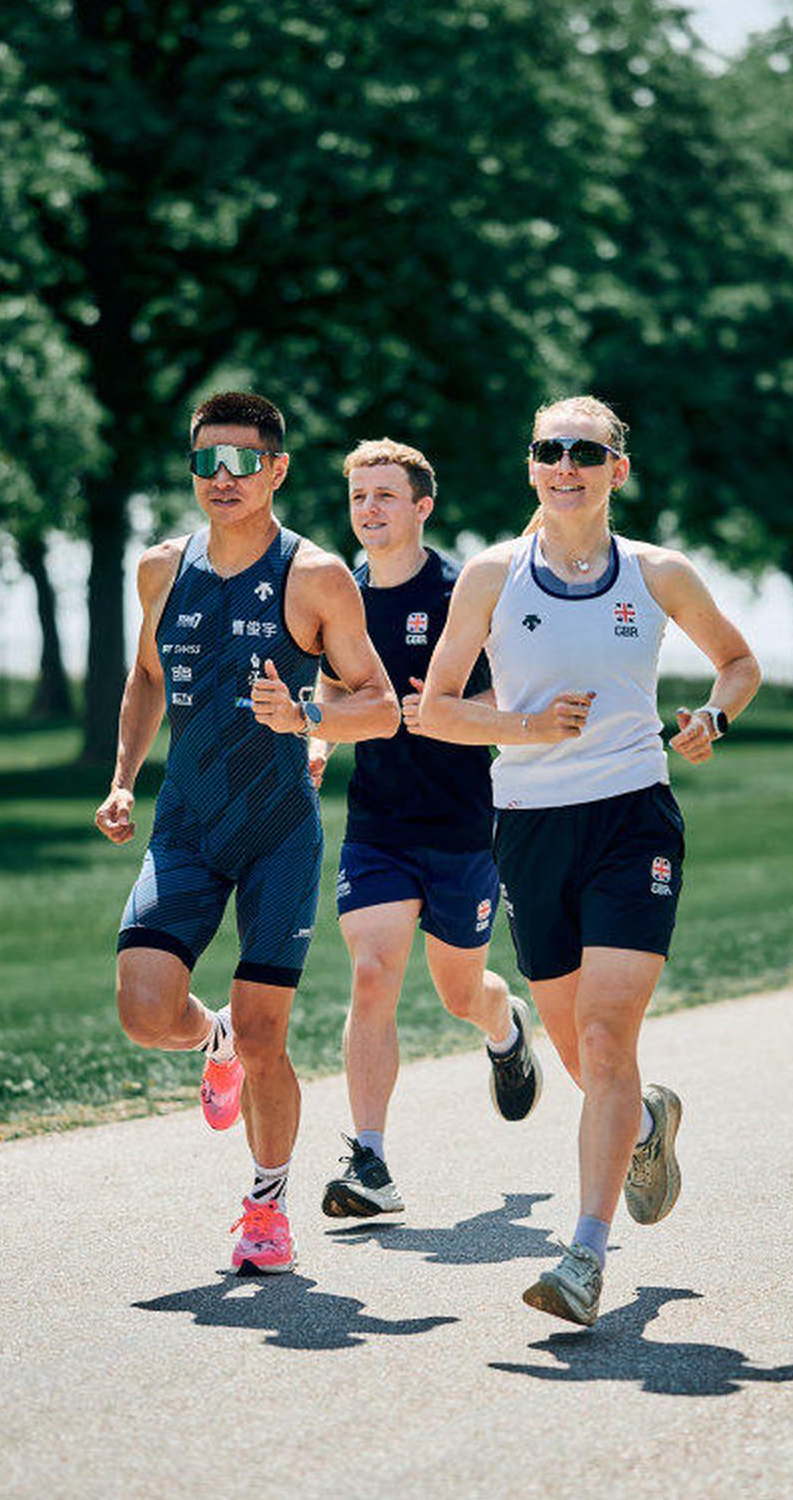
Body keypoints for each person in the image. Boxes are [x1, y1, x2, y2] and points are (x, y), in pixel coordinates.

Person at [420, 395, 760, 1327]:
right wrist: (523, 727)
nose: (564, 464)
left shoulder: (656, 572)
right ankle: (648, 1126)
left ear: (618, 467)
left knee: (608, 1039)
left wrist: (711, 717)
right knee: (574, 1046)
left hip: (631, 819)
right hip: (529, 824)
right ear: (531, 467)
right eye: (548, 450)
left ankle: (584, 1254)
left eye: (584, 450)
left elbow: (737, 662)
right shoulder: (492, 574)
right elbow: (436, 709)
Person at [95, 391, 398, 1275]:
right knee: (146, 1012)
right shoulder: (159, 568)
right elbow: (146, 678)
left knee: (271, 1040)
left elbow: (378, 708)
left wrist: (304, 711)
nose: (221, 479)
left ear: (277, 469)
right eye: (205, 463)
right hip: (185, 827)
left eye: (240, 462)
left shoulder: (316, 577)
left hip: (277, 835)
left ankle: (266, 1208)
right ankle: (209, 1037)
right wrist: (121, 780)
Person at [311, 439, 542, 1221]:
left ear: (421, 507)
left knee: (458, 993)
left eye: (385, 495)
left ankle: (505, 1027)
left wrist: (444, 719)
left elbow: (504, 709)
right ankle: (369, 1161)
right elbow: (331, 694)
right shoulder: (337, 593)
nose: (369, 509)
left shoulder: (460, 591)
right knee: (372, 972)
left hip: (462, 828)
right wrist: (318, 739)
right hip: (377, 824)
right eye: (358, 497)